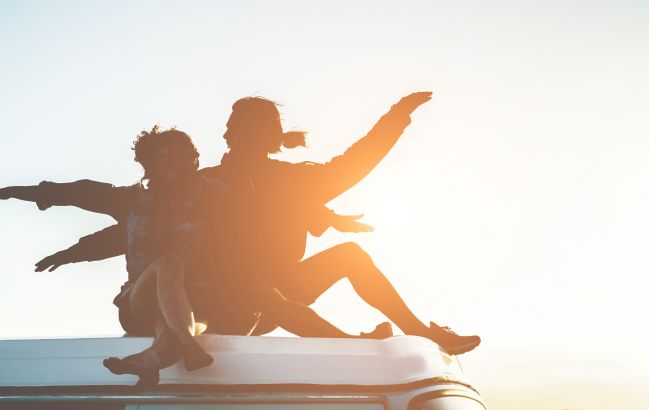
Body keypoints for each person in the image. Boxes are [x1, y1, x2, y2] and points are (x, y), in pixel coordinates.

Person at [17, 92, 481, 354]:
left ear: (258, 134)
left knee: (351, 258)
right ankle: (352, 345)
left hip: (281, 285)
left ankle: (420, 331)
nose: (223, 132)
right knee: (266, 292)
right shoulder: (206, 182)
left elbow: (351, 166)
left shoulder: (294, 181)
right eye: (227, 124)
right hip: (228, 295)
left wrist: (394, 119)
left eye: (234, 123)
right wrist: (75, 250)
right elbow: (141, 227)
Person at [1, 127, 391, 385]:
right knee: (169, 265)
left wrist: (330, 217)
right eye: (162, 161)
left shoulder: (212, 194)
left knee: (268, 298)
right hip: (138, 300)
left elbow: (270, 207)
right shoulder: (129, 200)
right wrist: (12, 194)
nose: (173, 168)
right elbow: (71, 192)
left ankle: (352, 349)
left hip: (195, 303)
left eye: (181, 159)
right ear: (147, 165)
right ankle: (185, 348)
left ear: (192, 160)